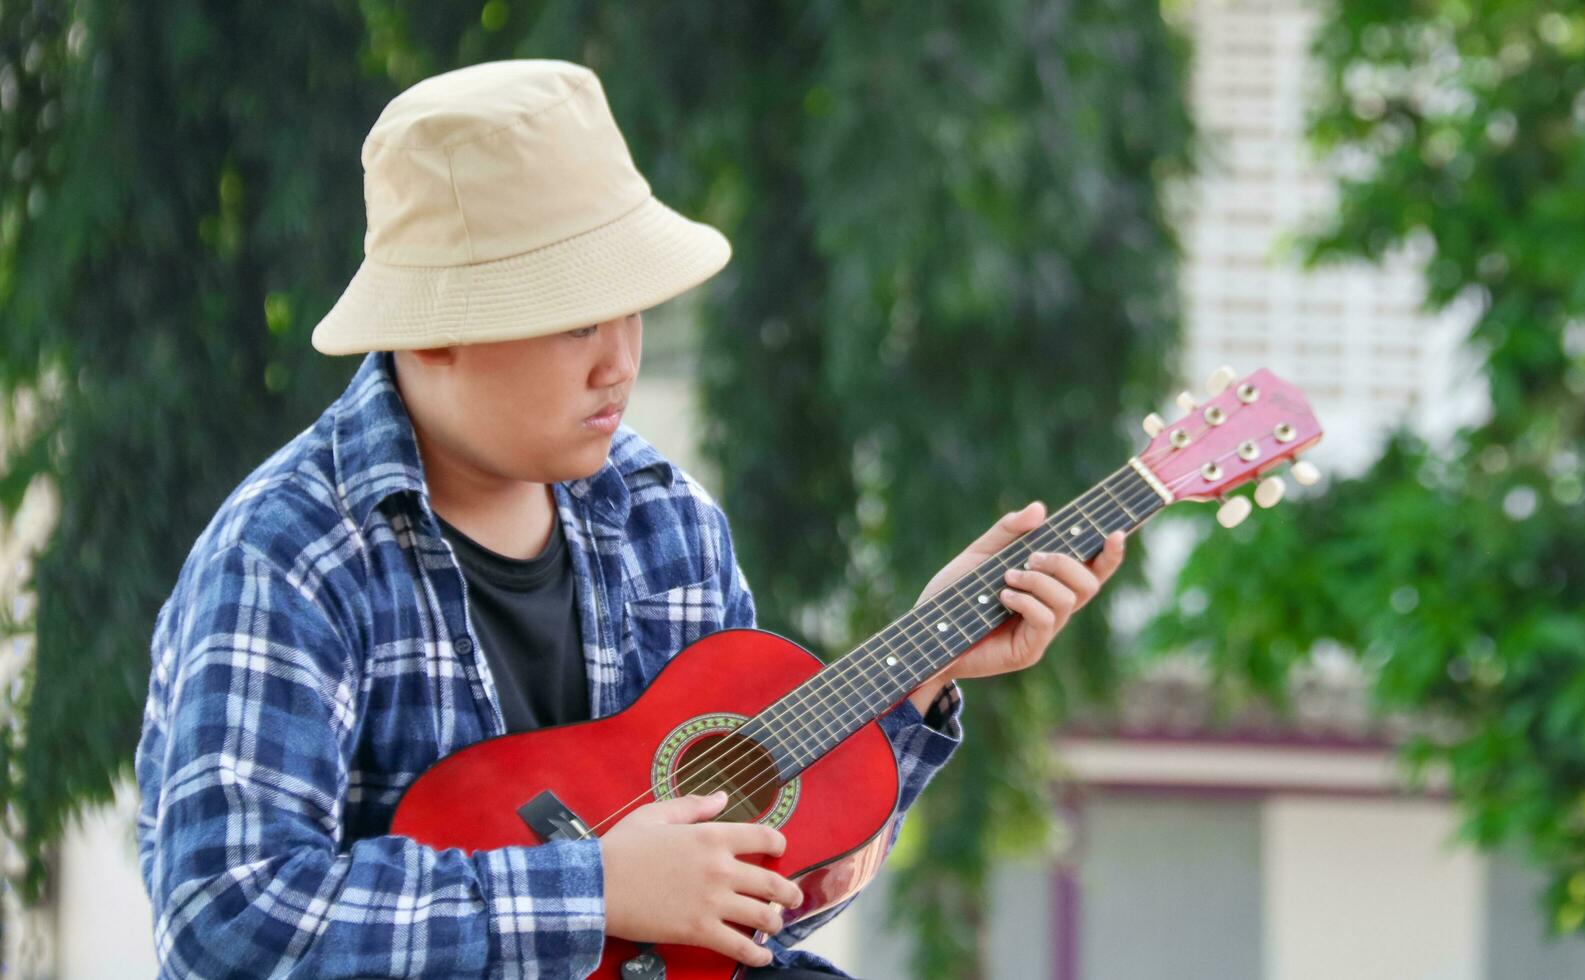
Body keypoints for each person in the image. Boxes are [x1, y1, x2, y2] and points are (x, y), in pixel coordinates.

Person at [134, 59, 1125, 978]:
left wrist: (922, 673)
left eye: (631, 310)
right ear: (434, 328)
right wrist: (595, 886)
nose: (620, 360)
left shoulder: (666, 523)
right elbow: (225, 916)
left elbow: (744, 915)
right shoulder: (289, 556)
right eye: (576, 320)